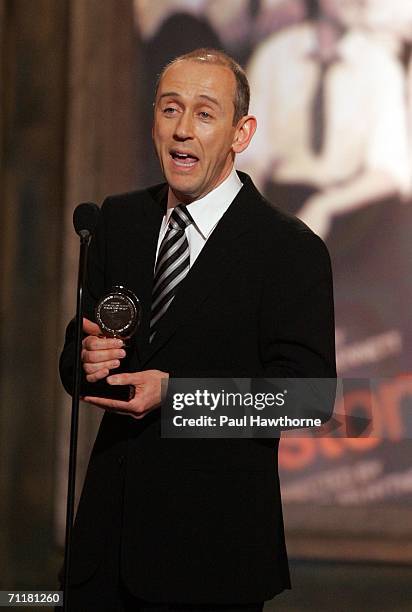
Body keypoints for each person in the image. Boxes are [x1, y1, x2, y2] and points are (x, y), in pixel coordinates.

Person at [60, 48, 336, 611]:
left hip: (213, 560)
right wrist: (86, 361)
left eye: (205, 114)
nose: (183, 130)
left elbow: (306, 399)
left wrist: (176, 394)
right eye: (170, 109)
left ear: (242, 132)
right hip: (104, 556)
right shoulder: (118, 221)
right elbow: (76, 354)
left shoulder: (288, 250)